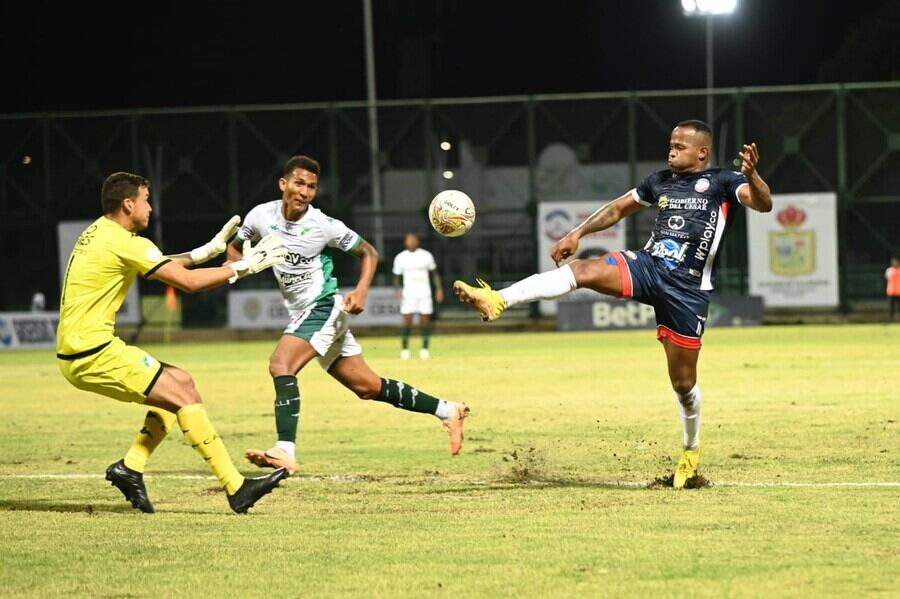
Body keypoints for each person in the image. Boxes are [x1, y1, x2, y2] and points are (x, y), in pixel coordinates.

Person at [454, 120, 772, 489]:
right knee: (584, 269)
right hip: (649, 267)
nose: (671, 150)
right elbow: (617, 209)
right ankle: (497, 298)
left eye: (680, 146)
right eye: (670, 144)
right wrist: (577, 232)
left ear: (702, 152)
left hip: (688, 290)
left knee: (683, 383)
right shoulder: (659, 181)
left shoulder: (722, 182)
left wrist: (754, 176)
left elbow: (762, 203)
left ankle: (690, 450)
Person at [57, 171, 290, 514]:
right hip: (91, 353)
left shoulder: (100, 233)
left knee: (181, 382)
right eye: (145, 200)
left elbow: (159, 263)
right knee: (183, 398)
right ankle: (237, 488)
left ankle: (130, 467)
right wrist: (244, 268)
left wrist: (206, 252)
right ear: (127, 204)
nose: (150, 208)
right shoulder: (124, 240)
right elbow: (187, 283)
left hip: (85, 349)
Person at [232, 156, 469, 475]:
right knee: (367, 387)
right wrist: (237, 268)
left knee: (281, 364)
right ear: (283, 184)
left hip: (323, 307)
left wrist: (360, 291)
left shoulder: (322, 225)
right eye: (299, 183)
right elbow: (235, 247)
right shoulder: (260, 216)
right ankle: (447, 410)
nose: (304, 192)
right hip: (303, 313)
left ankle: (285, 450)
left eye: (312, 187)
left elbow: (368, 252)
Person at [392, 232, 444, 359]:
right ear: (405, 242)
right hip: (409, 294)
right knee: (407, 321)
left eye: (412, 240)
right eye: (408, 240)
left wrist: (439, 289)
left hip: (424, 293)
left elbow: (434, 274)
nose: (410, 242)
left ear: (417, 241)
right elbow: (396, 277)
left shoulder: (426, 256)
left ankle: (425, 348)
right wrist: (397, 290)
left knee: (425, 321)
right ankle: (405, 349)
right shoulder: (400, 257)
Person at [887, 257, 900, 321]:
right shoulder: (889, 270)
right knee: (891, 308)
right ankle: (891, 319)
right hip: (891, 291)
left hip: (899, 292)